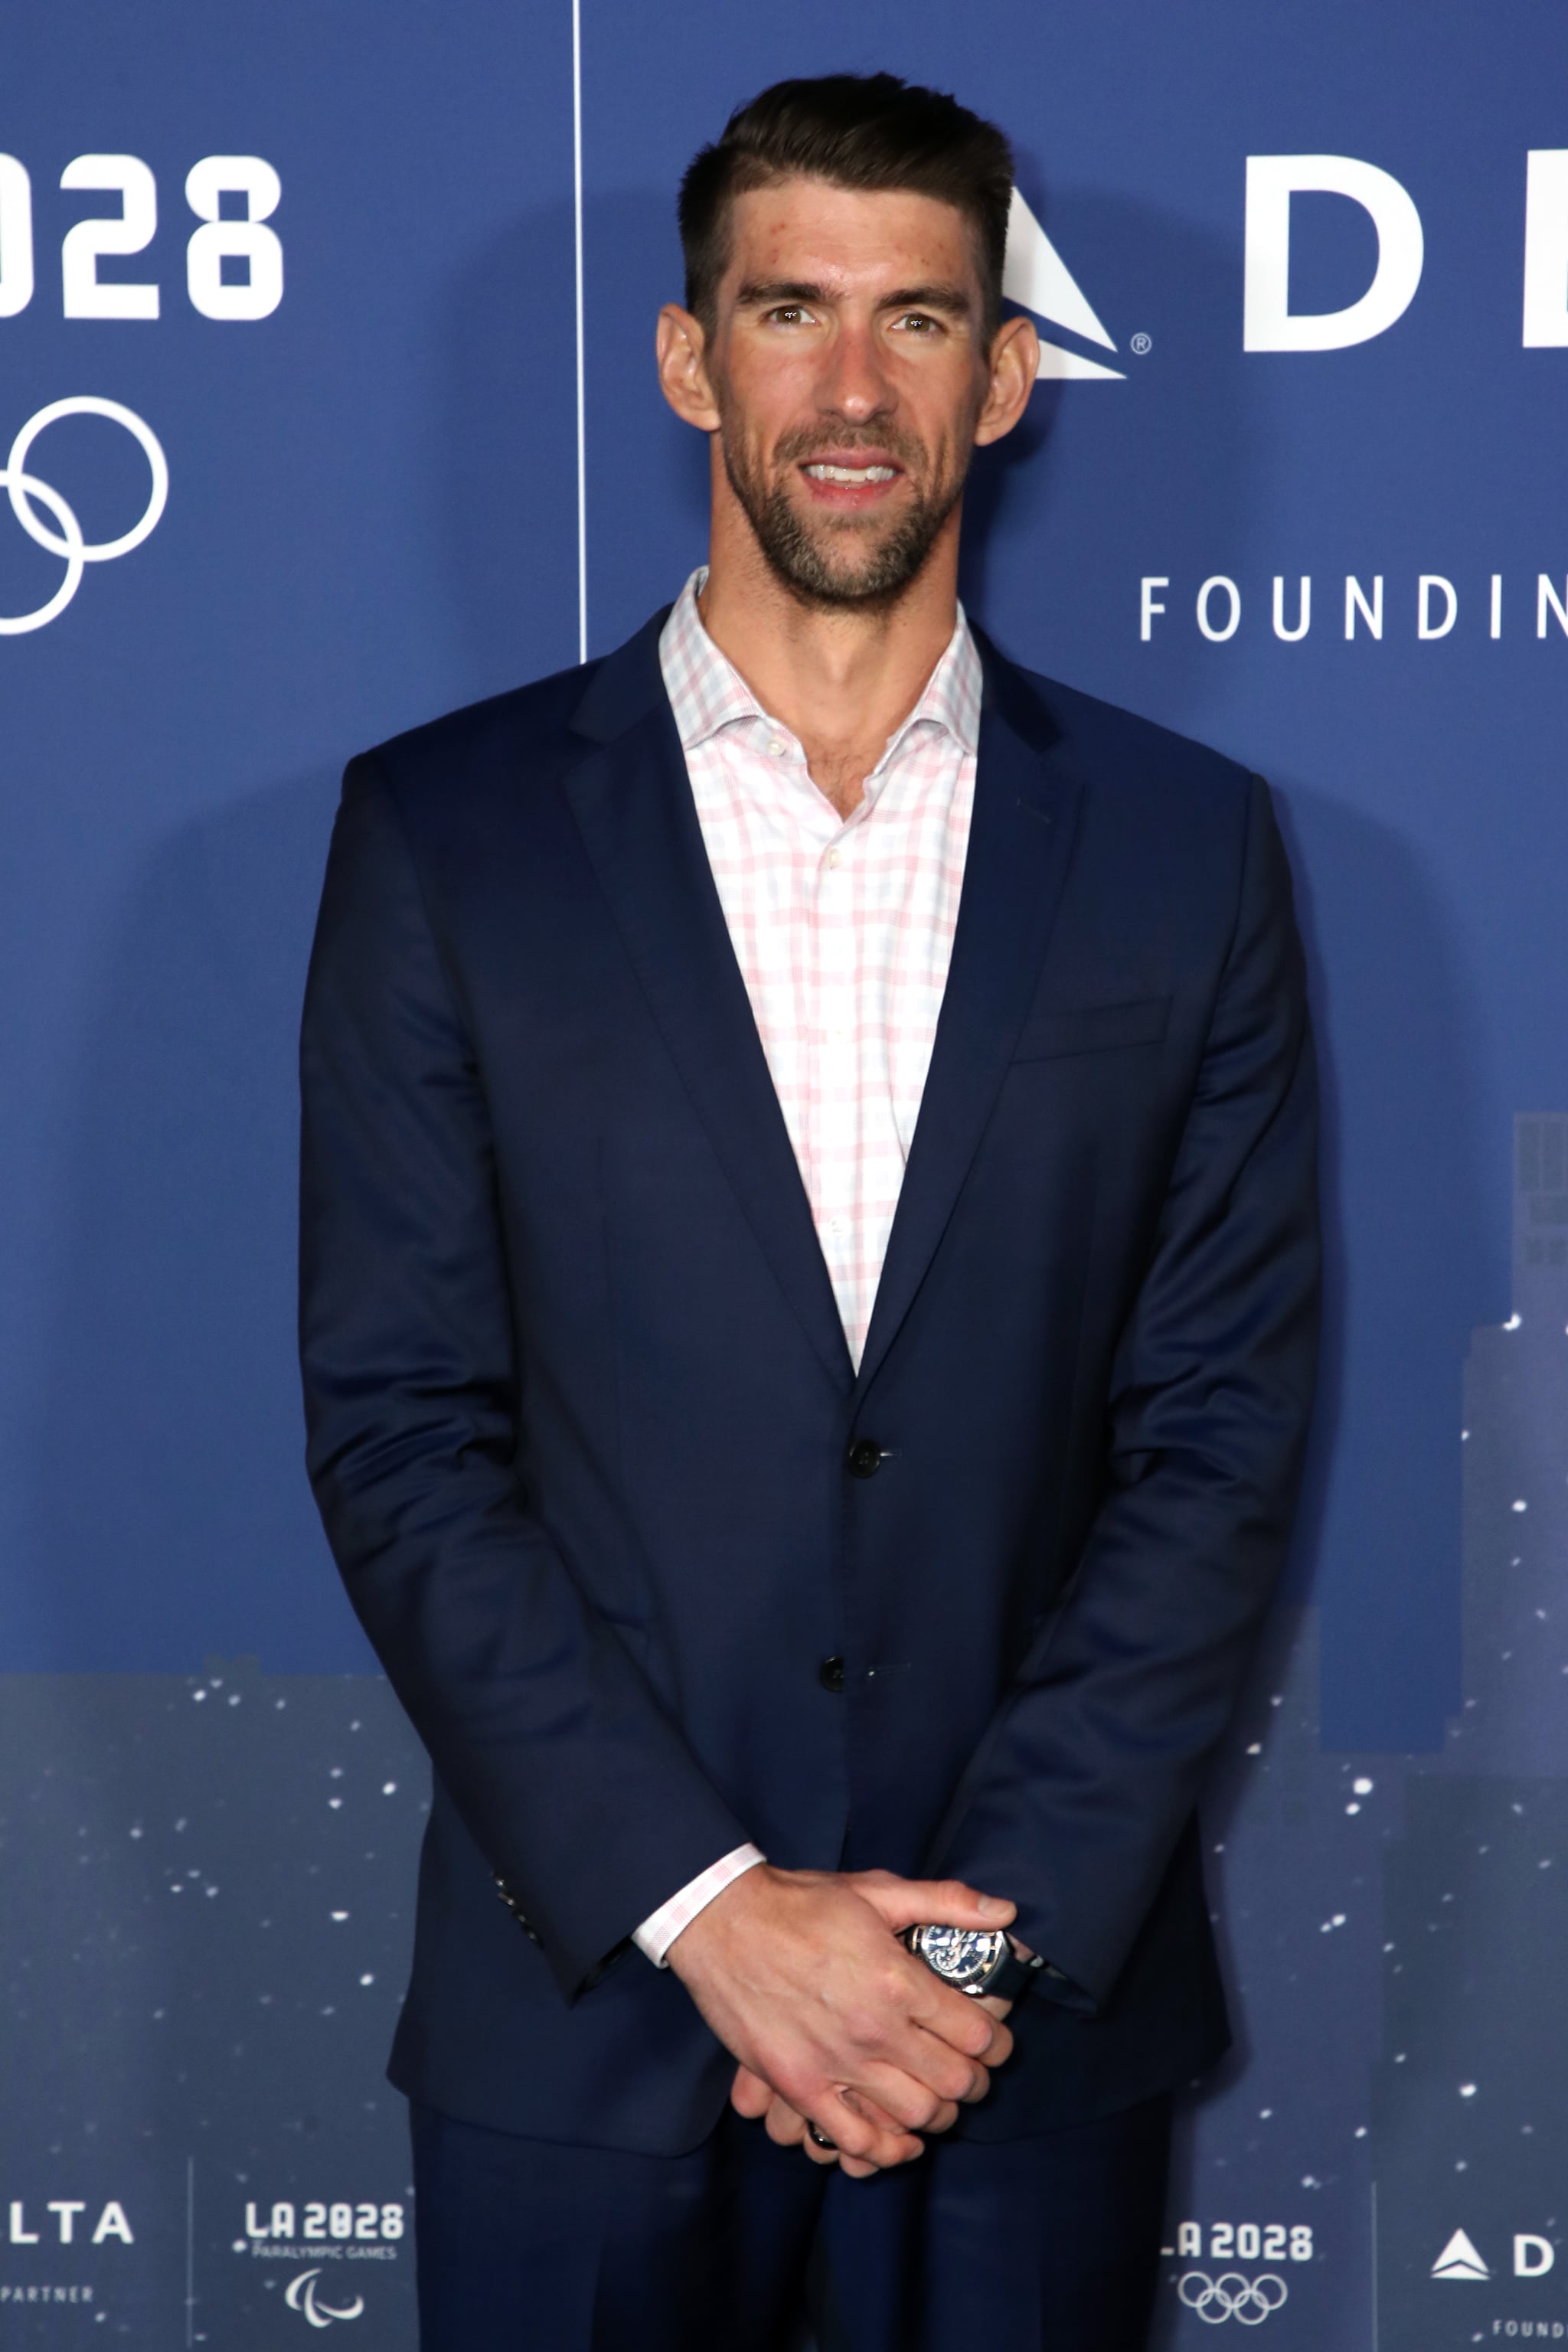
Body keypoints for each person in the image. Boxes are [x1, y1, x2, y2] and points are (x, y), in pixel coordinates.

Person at [299, 70, 1320, 2352]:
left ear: (1006, 372)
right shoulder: (444, 838)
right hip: (589, 2004)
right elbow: (401, 1432)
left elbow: (1217, 1437)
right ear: (690, 360)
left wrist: (961, 1957)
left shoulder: (1185, 847)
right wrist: (716, 1908)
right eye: (789, 312)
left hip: (1016, 2030)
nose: (853, 391)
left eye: (919, 320)